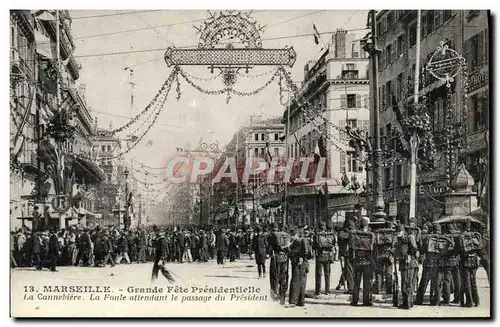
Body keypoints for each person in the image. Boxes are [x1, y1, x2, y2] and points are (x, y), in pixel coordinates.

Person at [350, 217, 375, 307]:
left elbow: (351, 246)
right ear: (367, 226)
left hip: (358, 260)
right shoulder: (371, 235)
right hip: (367, 260)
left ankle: (355, 301)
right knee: (367, 282)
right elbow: (373, 248)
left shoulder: (355, 234)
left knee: (356, 282)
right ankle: (366, 301)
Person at [395, 223, 419, 309]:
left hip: (409, 264)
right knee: (405, 284)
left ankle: (407, 304)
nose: (398, 233)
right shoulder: (400, 240)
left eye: (399, 231)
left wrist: (408, 255)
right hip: (404, 264)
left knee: (407, 284)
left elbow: (414, 248)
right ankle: (408, 302)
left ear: (403, 231)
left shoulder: (409, 237)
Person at [459, 220, 481, 307]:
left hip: (465, 260)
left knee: (466, 282)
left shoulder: (462, 236)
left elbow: (460, 249)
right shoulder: (475, 235)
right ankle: (477, 301)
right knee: (474, 281)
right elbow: (479, 248)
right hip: (474, 260)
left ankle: (469, 302)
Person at [268, 223, 291, 305]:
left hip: (275, 257)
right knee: (283, 275)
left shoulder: (272, 235)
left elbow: (270, 247)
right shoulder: (287, 235)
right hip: (284, 257)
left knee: (274, 275)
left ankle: (275, 293)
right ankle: (282, 294)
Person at [287, 226, 310, 308]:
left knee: (295, 281)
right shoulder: (305, 240)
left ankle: (293, 301)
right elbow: (308, 253)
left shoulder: (297, 241)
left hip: (298, 262)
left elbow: (294, 252)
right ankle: (301, 301)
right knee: (302, 281)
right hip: (304, 263)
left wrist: (292, 253)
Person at [313, 221, 335, 297]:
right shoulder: (331, 235)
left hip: (320, 255)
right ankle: (327, 290)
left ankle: (318, 291)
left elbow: (314, 246)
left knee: (318, 274)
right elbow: (334, 244)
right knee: (327, 273)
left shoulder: (316, 236)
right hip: (328, 256)